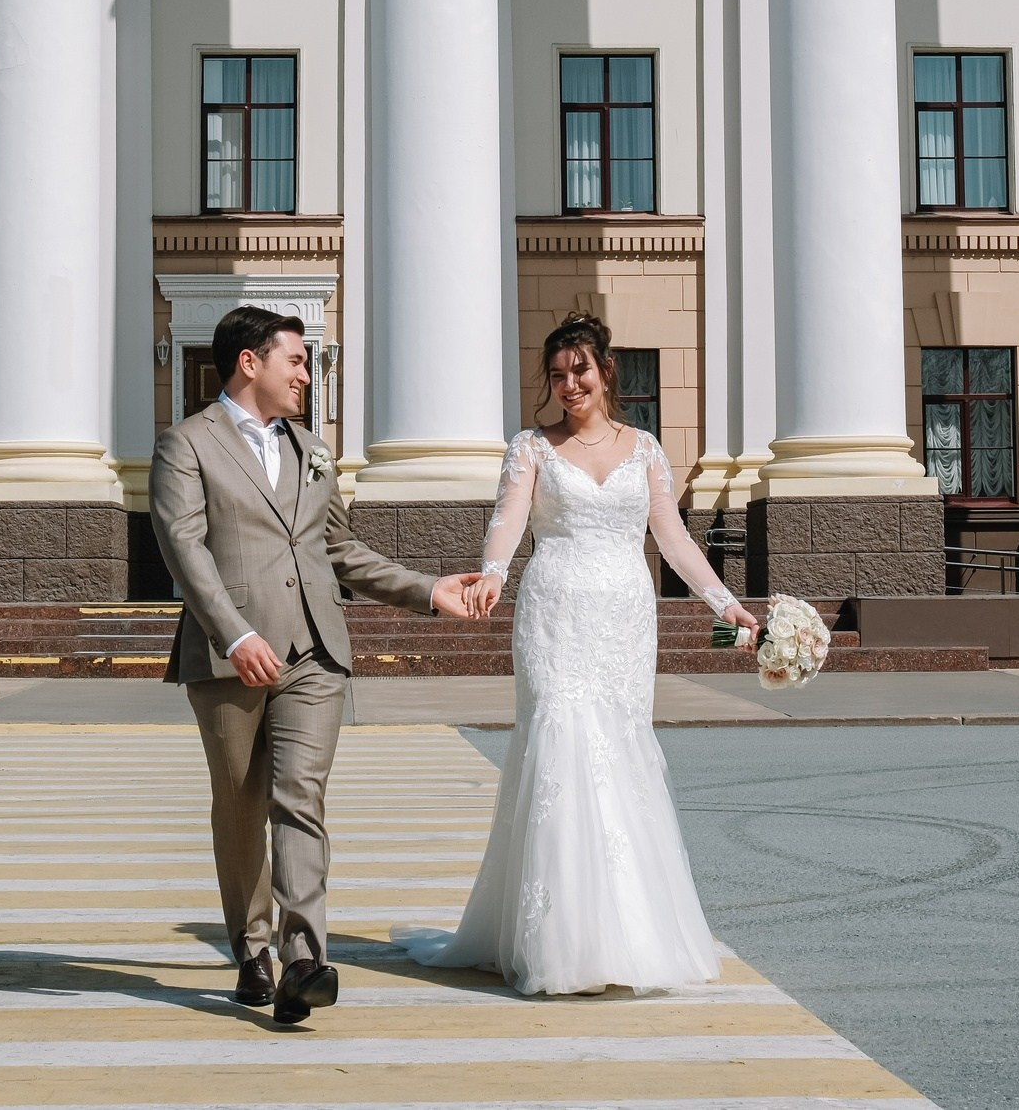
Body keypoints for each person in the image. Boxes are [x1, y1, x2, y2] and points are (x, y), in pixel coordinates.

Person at [405, 311, 762, 995]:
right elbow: (508, 518)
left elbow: (676, 541)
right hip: (555, 609)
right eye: (559, 374)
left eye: (582, 370)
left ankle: (627, 933)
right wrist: (493, 573)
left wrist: (727, 604)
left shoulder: (647, 449)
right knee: (560, 743)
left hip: (626, 615)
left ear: (606, 373)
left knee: (620, 749)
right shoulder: (531, 447)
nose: (570, 384)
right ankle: (557, 940)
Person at [151, 305, 486, 1025]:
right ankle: (252, 948)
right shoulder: (187, 444)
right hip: (228, 657)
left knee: (299, 796)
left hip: (314, 654)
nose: (307, 373)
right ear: (250, 361)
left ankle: (304, 958)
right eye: (296, 361)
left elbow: (340, 551)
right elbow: (184, 546)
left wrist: (427, 590)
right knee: (240, 806)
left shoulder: (312, 448)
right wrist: (236, 635)